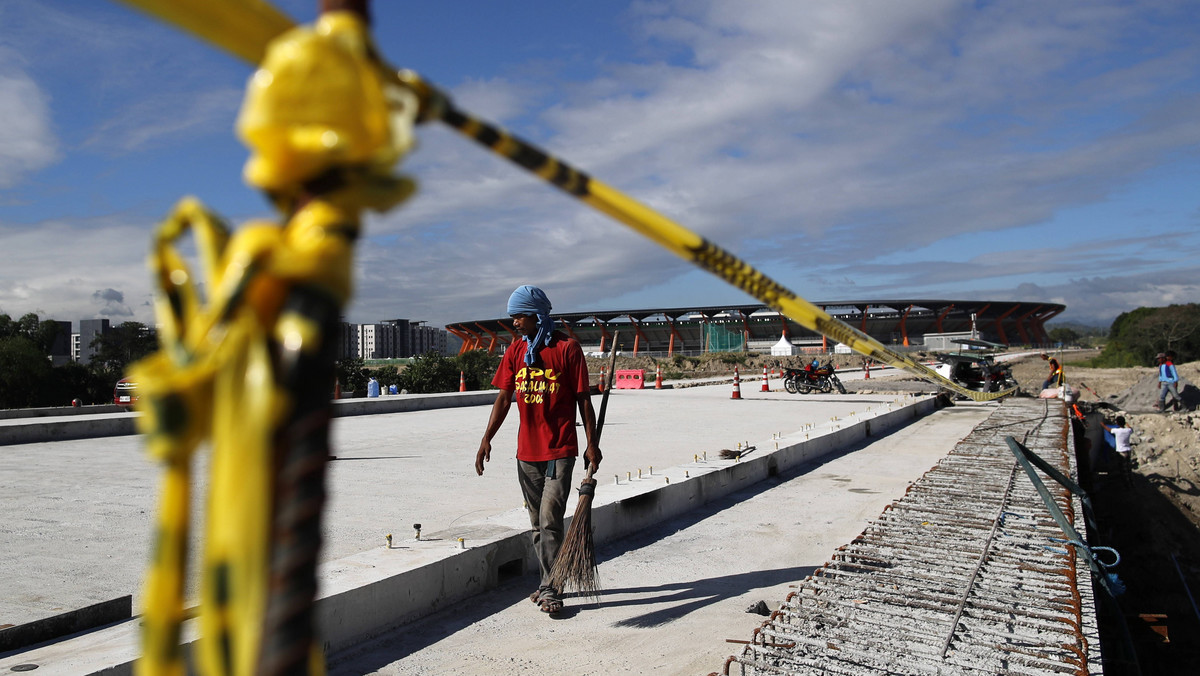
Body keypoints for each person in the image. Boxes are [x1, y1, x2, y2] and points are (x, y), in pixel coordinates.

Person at [475, 285, 600, 614]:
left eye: (519, 316)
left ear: (537, 315)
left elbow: (583, 400)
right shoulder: (516, 351)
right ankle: (549, 579)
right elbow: (504, 397)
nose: (514, 322)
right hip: (526, 453)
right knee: (536, 523)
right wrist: (487, 438)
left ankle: (551, 587)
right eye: (513, 316)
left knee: (550, 519)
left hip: (559, 448)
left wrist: (592, 445)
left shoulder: (567, 349)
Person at [1101, 416, 1134, 484]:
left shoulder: (1117, 431)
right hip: (1128, 450)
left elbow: (1109, 429)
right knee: (1128, 467)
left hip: (1121, 451)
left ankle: (1126, 483)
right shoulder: (1128, 430)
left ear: (1117, 423)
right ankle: (1131, 480)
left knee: (1123, 467)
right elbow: (1130, 428)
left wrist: (1103, 425)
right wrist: (1126, 423)